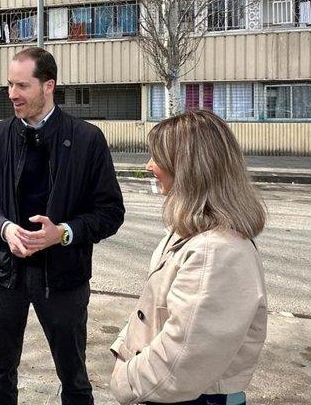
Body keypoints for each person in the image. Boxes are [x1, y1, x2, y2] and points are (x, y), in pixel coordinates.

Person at [0, 47, 125, 405]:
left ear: (48, 85)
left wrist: (63, 233)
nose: (12, 94)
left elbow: (111, 212)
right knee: (0, 372)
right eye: (9, 85)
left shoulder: (87, 139)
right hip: (4, 275)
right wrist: (4, 228)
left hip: (63, 279)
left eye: (22, 85)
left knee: (74, 377)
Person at [109, 110, 267, 405]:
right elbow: (155, 313)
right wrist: (124, 352)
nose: (150, 166)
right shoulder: (193, 232)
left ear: (188, 169)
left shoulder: (216, 251)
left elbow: (183, 358)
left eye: (158, 158)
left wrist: (126, 380)